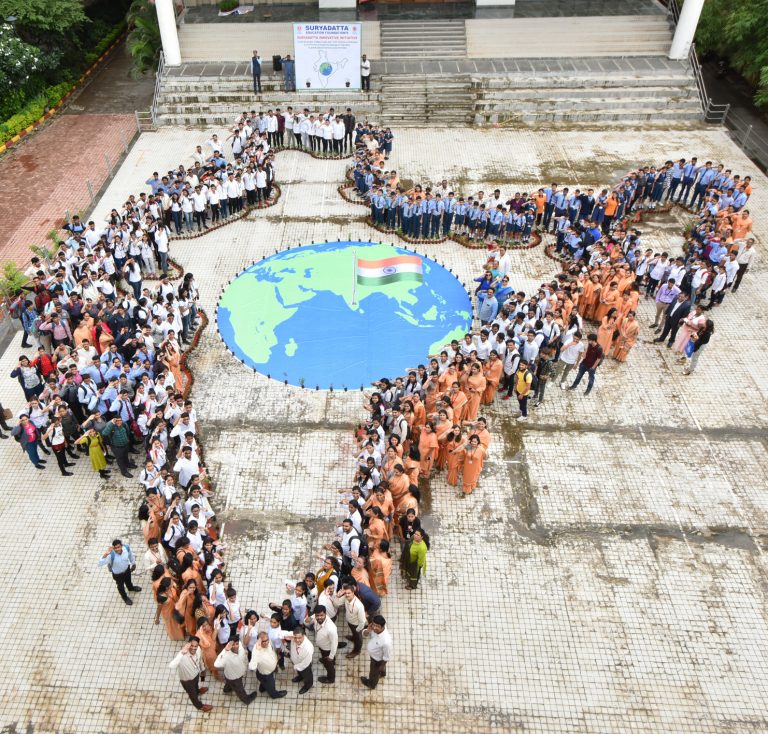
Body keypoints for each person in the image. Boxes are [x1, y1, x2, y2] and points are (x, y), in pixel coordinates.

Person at [169, 637, 213, 712]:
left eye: (195, 646)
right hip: (187, 680)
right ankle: (200, 707)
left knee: (196, 685)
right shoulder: (182, 656)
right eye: (192, 645)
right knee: (192, 695)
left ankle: (198, 691)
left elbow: (200, 660)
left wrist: (202, 669)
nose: (193, 648)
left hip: (196, 674)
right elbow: (171, 665)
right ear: (188, 644)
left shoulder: (198, 649)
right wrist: (182, 653)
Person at [98, 539, 141, 605]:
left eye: (119, 547)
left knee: (128, 580)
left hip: (127, 570)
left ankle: (131, 588)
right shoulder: (110, 555)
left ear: (122, 546)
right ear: (113, 548)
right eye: (115, 548)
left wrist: (133, 563)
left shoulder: (126, 548)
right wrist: (105, 554)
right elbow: (100, 563)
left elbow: (130, 555)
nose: (117, 549)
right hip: (118, 574)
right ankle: (125, 598)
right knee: (120, 586)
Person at [214, 638, 256, 704]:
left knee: (229, 683)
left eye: (237, 644)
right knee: (240, 690)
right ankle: (246, 700)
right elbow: (216, 664)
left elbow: (244, 656)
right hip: (234, 678)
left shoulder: (240, 647)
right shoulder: (226, 655)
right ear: (229, 645)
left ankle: (227, 689)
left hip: (234, 674)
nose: (235, 646)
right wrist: (225, 650)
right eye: (232, 645)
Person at [248, 631, 288, 698]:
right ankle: (274, 695)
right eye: (263, 641)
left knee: (264, 683)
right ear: (258, 641)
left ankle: (262, 688)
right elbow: (252, 667)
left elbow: (271, 650)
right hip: (266, 675)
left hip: (267, 672)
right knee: (271, 686)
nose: (266, 642)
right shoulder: (256, 651)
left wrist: (276, 658)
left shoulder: (269, 643)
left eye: (267, 640)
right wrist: (257, 650)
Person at [361, 614, 392, 689]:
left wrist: (382, 666)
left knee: (373, 673)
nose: (374, 628)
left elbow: (387, 656)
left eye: (377, 626)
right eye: (373, 625)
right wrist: (368, 630)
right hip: (374, 656)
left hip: (377, 660)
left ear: (383, 626)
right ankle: (382, 673)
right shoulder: (373, 629)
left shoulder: (386, 641)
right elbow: (364, 634)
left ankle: (371, 684)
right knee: (378, 671)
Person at [287, 625, 314, 694]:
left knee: (307, 676)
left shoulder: (308, 648)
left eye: (299, 638)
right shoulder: (293, 638)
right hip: (296, 662)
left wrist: (295, 667)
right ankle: (300, 677)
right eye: (295, 637)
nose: (297, 640)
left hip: (304, 666)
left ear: (304, 636)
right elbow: (283, 634)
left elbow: (305, 663)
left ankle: (307, 686)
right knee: (300, 672)